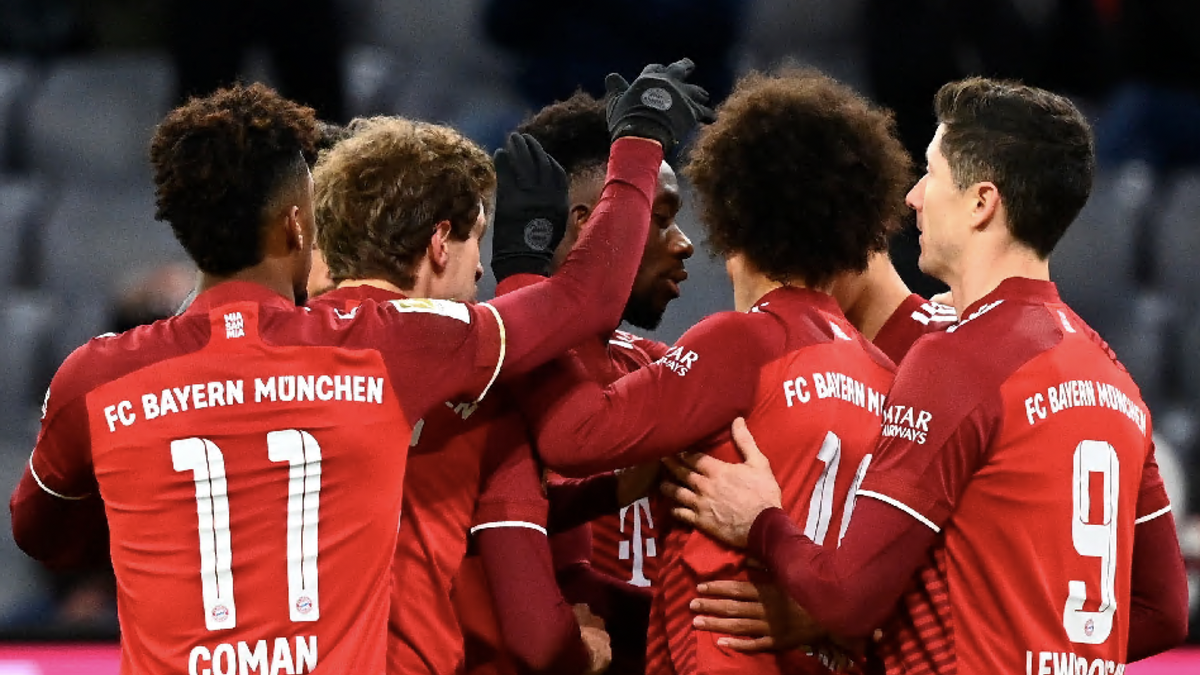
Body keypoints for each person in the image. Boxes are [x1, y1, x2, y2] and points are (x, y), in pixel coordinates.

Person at [8, 65, 711, 674]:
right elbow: (584, 300)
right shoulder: (381, 348)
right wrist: (641, 140)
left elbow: (44, 535)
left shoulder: (94, 377)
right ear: (296, 227)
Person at [663, 77, 1191, 673]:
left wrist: (760, 521)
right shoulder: (1113, 377)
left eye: (932, 174)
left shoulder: (957, 359)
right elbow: (1163, 610)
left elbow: (845, 597)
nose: (912, 197)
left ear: (980, 202)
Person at [516, 68, 913, 674]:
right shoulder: (886, 376)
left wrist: (527, 278)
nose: (684, 243)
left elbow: (572, 436)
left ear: (733, 211)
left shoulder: (742, 344)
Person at [307, 116, 609, 675]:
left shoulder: (267, 350)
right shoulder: (475, 370)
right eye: (479, 239)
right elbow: (587, 301)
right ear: (441, 242)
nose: (478, 270)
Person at [454, 88, 696, 675]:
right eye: (658, 217)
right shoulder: (494, 386)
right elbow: (559, 585)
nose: (685, 243)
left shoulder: (664, 368)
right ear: (591, 227)